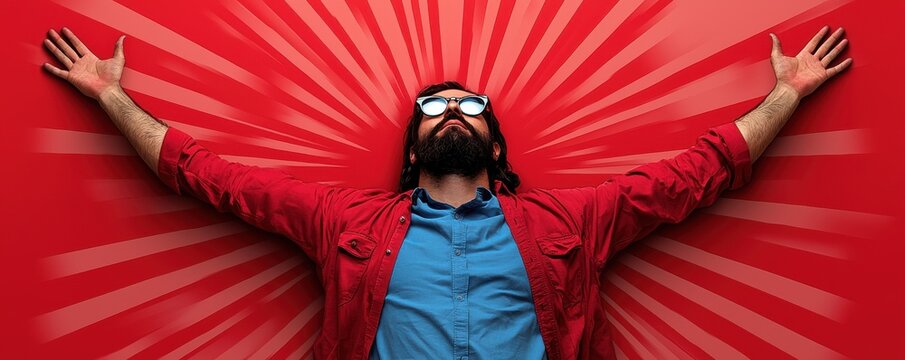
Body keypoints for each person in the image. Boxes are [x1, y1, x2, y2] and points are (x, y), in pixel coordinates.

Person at [42, 26, 851, 360]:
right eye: (436, 106)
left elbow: (697, 175)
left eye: (470, 107)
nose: (454, 112)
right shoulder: (343, 221)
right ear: (415, 143)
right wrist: (110, 96)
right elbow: (209, 179)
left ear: (493, 145)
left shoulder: (568, 220)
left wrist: (789, 92)